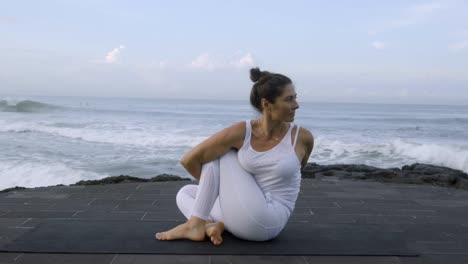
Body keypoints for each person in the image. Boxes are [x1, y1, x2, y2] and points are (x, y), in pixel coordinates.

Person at [155, 67, 314, 245]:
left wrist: (221, 187)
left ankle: (195, 224)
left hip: (269, 219)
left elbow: (297, 173)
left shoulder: (302, 138)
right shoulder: (244, 131)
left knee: (221, 155)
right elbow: (188, 160)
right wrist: (221, 189)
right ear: (266, 104)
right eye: (289, 99)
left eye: (295, 97)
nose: (296, 105)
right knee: (185, 193)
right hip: (243, 211)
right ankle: (207, 225)